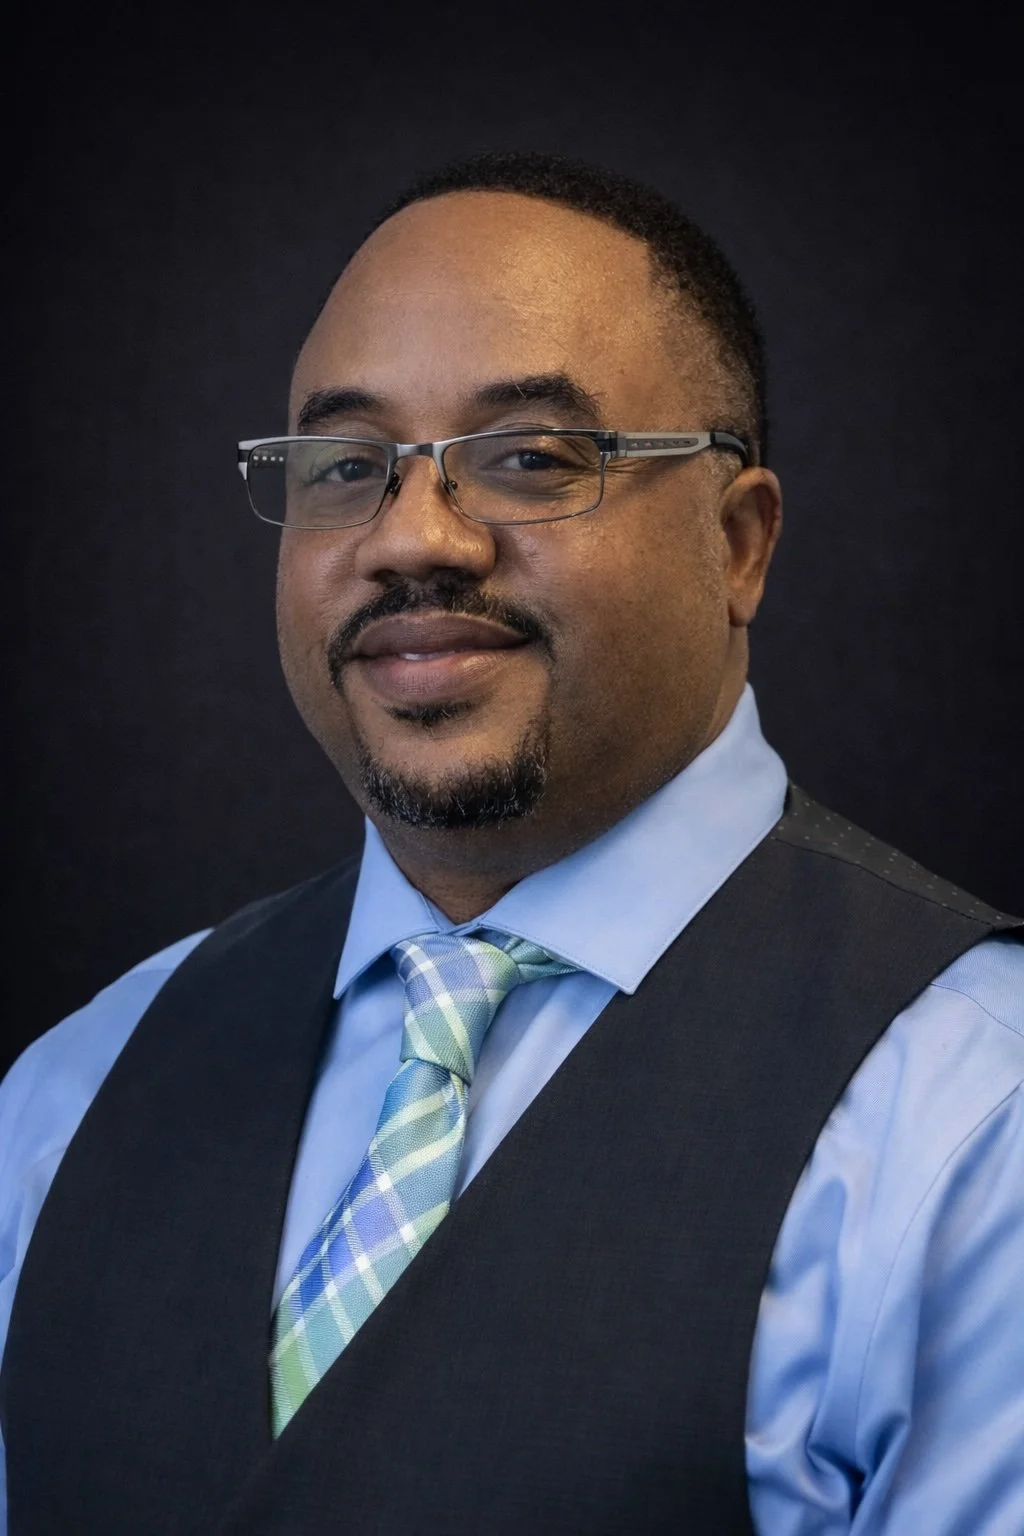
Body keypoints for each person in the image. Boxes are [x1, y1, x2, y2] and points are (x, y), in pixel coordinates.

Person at [0, 151, 1021, 1535]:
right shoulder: (72, 1095)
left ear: (740, 544)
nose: (414, 539)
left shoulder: (973, 1129)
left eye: (532, 459)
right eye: (349, 466)